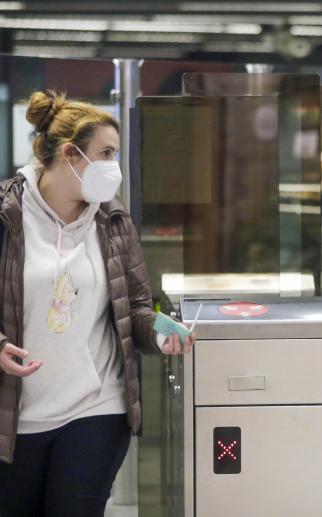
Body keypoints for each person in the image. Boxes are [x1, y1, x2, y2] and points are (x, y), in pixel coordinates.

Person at [0, 91, 195, 517]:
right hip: (16, 418)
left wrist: (159, 331)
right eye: (105, 153)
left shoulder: (112, 220)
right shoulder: (6, 214)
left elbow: (137, 306)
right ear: (70, 154)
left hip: (96, 408)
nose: (113, 166)